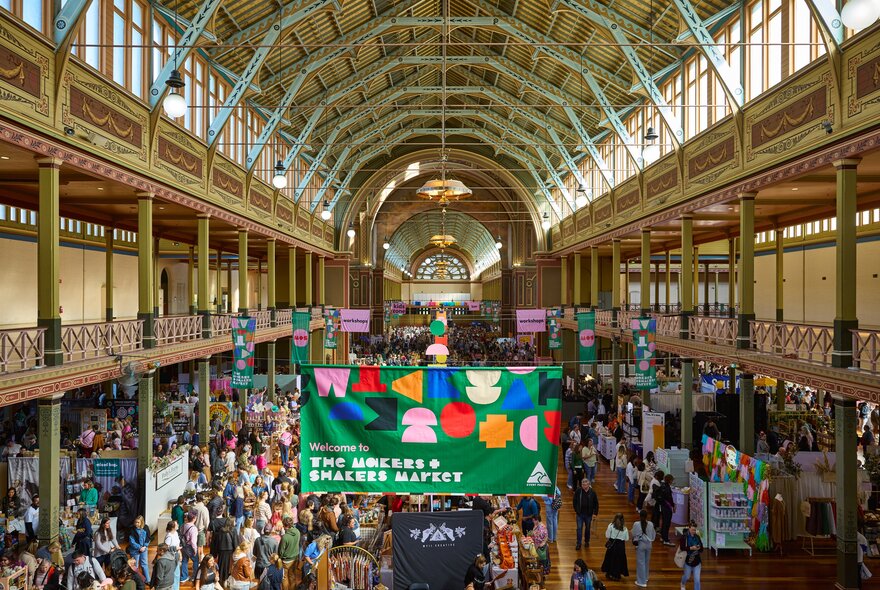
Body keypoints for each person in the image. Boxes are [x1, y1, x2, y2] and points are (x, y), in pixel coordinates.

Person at [601, 512, 629, 581]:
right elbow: (627, 538)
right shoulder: (625, 528)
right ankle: (616, 575)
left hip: (612, 545)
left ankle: (609, 573)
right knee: (619, 560)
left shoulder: (611, 526)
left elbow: (607, 535)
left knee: (610, 559)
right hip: (621, 546)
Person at [631, 509, 655, 588]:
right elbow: (653, 535)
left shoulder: (636, 524)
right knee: (646, 561)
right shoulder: (651, 524)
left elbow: (634, 534)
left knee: (640, 562)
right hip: (649, 545)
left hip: (641, 545)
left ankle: (641, 582)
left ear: (640, 515)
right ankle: (646, 577)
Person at [573, 479, 599, 550]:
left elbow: (596, 504)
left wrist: (595, 513)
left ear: (588, 485)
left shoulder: (593, 492)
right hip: (580, 514)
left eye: (585, 485)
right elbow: (574, 501)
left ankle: (587, 541)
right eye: (583, 485)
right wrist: (576, 510)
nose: (584, 486)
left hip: (588, 514)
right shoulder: (578, 491)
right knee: (579, 529)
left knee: (587, 529)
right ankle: (578, 543)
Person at [277, 517, 301, 590]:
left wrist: (279, 557)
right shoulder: (297, 531)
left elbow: (281, 552)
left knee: (284, 577)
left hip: (286, 561)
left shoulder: (285, 537)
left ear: (285, 525)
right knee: (292, 575)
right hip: (295, 558)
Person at [680, 521, 703, 590]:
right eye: (692, 529)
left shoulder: (697, 537)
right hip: (688, 561)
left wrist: (698, 548)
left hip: (697, 561)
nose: (694, 531)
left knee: (697, 580)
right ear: (689, 528)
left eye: (695, 530)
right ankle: (683, 583)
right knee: (687, 576)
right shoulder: (684, 537)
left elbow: (701, 549)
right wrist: (691, 548)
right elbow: (682, 547)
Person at [129, 516, 151, 581]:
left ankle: (147, 580)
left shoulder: (146, 527)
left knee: (144, 564)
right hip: (135, 550)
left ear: (142, 522)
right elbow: (131, 541)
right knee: (135, 566)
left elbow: (148, 538)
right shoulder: (132, 529)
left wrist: (145, 546)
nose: (136, 524)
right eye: (135, 522)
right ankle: (137, 581)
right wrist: (139, 547)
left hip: (144, 549)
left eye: (138, 522)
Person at [656, 474, 675, 546]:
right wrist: (673, 505)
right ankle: (666, 539)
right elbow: (670, 499)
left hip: (663, 506)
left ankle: (663, 537)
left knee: (664, 522)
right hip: (667, 507)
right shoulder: (667, 488)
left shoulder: (663, 485)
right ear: (670, 480)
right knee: (667, 523)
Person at [163, 521, 182, 590]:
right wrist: (175, 549)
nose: (178, 525)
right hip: (171, 557)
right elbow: (165, 548)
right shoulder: (169, 536)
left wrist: (180, 553)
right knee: (173, 574)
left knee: (177, 574)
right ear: (173, 527)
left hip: (176, 555)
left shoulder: (176, 533)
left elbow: (177, 544)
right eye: (176, 524)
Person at [180, 513, 198, 583]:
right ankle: (194, 576)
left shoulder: (183, 525)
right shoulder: (193, 528)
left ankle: (184, 577)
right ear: (194, 519)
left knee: (184, 560)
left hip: (184, 546)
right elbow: (193, 541)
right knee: (195, 561)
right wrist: (195, 550)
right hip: (190, 547)